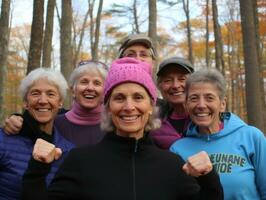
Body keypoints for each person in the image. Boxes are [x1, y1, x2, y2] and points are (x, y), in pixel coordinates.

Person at [21, 58, 223, 200]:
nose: (128, 107)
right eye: (119, 98)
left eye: (138, 97)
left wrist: (208, 179)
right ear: (107, 108)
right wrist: (37, 169)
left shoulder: (172, 165)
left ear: (151, 107)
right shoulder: (80, 161)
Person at [170, 68, 266, 200]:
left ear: (222, 104)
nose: (201, 105)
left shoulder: (251, 137)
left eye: (209, 98)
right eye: (194, 98)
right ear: (186, 105)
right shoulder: (177, 149)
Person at [0, 68, 74, 200]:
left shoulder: (68, 150)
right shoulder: (4, 139)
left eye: (51, 94)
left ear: (60, 103)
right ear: (25, 103)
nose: (43, 100)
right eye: (35, 93)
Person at [3, 60, 108, 147]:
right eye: (84, 82)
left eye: (97, 83)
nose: (90, 88)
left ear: (106, 91)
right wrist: (16, 119)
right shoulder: (53, 122)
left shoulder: (115, 126)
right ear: (73, 90)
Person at [150, 56, 194, 149]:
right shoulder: (151, 123)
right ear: (159, 86)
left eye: (182, 79)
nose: (175, 85)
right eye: (168, 80)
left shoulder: (208, 117)